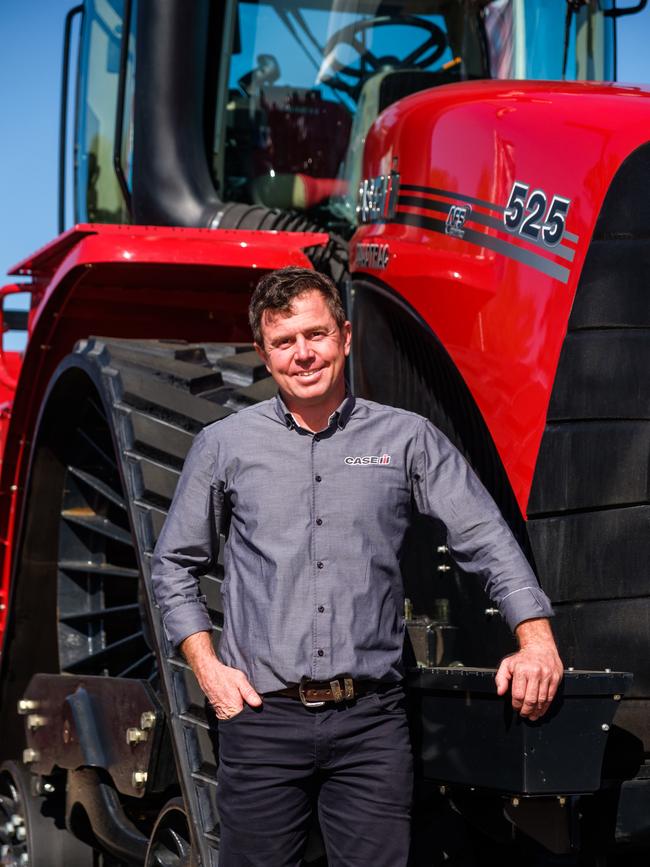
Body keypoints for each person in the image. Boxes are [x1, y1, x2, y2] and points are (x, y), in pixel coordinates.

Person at [151, 266, 563, 867]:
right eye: (284, 342)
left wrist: (535, 639)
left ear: (344, 336)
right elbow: (174, 567)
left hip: (372, 722)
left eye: (315, 334)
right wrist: (208, 669)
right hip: (262, 719)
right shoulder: (225, 446)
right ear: (264, 354)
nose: (303, 354)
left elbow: (485, 536)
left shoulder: (407, 438)